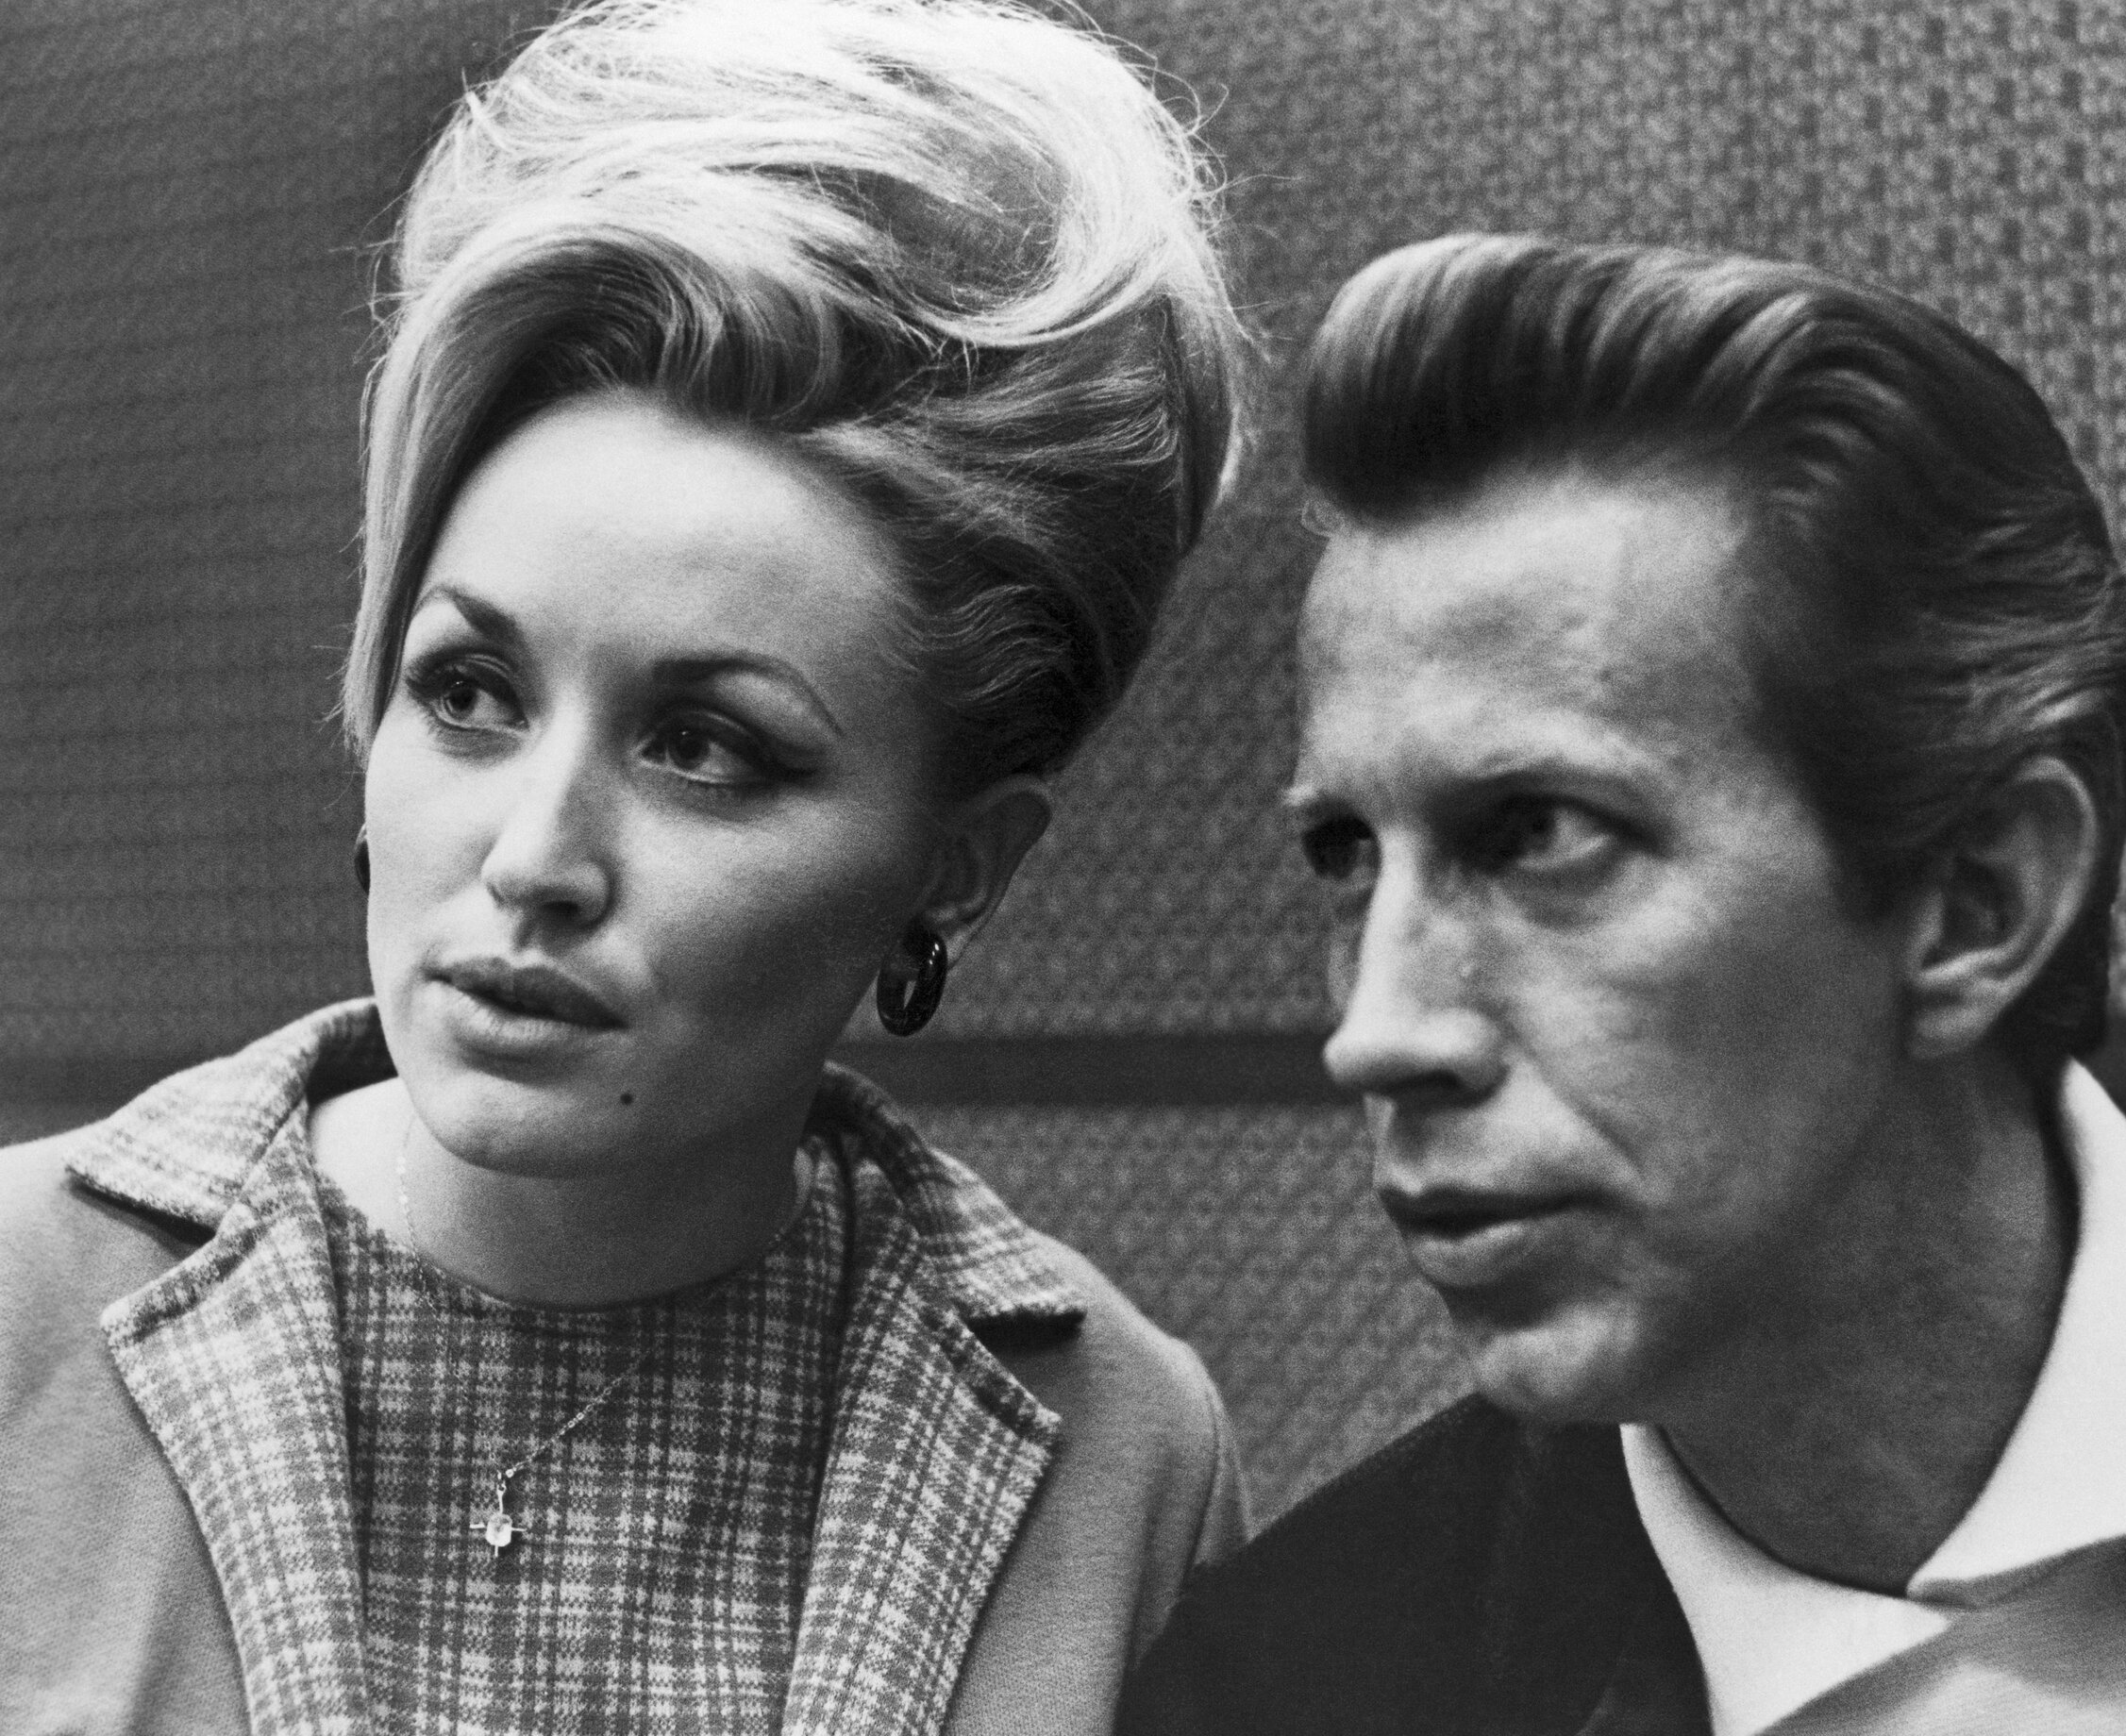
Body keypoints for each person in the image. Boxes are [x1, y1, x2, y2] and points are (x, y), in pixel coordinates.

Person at [0, 3, 1249, 1731]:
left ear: (957, 869)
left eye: (703, 747)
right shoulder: (17, 1310)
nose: (534, 861)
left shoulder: (1128, 1455)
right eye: (471, 693)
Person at [1120, 234, 2126, 1734]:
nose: (1375, 1035)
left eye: (1539, 834)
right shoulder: (1282, 1695)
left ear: (1981, 901)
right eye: (1346, 854)